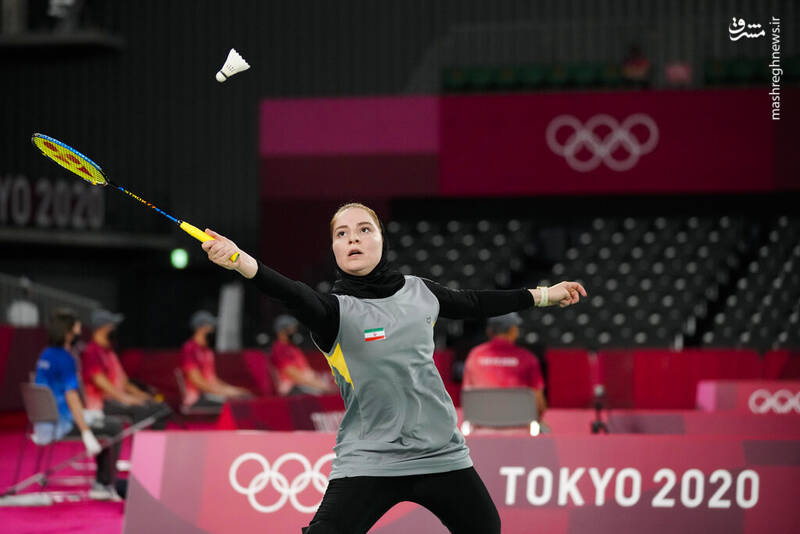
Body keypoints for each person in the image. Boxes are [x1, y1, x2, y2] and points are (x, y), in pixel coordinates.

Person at [201, 202, 586, 534]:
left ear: (381, 240)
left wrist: (543, 296)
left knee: (486, 528)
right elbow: (291, 292)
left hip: (440, 454)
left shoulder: (421, 292)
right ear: (334, 248)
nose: (352, 239)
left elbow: (474, 302)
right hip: (371, 457)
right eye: (341, 234)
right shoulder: (333, 312)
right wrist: (239, 260)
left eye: (363, 230)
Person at [33, 309, 123, 501]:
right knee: (113, 426)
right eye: (77, 329)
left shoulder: (45, 354)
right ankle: (105, 483)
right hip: (60, 423)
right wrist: (86, 432)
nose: (80, 332)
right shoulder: (66, 359)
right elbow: (72, 397)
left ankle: (102, 480)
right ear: (68, 332)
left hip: (43, 421)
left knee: (101, 421)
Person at [82, 309, 171, 430]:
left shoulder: (109, 352)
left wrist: (141, 395)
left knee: (159, 407)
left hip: (116, 399)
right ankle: (137, 441)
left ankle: (155, 441)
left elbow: (123, 381)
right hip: (103, 403)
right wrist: (125, 399)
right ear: (103, 328)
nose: (114, 329)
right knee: (142, 410)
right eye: (111, 326)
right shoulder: (91, 351)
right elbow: (100, 381)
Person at [462, 312, 547, 421]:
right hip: (519, 423)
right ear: (513, 330)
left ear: (489, 331)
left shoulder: (474, 355)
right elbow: (539, 404)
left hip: (481, 423)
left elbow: (467, 395)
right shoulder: (528, 358)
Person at [180, 310, 251, 410]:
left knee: (245, 397)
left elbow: (212, 379)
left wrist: (234, 390)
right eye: (210, 325)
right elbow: (197, 381)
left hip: (210, 395)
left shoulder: (207, 351)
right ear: (201, 328)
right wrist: (226, 393)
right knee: (238, 404)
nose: (212, 329)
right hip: (197, 398)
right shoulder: (190, 348)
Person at [269, 314, 336, 396]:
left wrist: (321, 384)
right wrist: (321, 386)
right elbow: (293, 375)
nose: (294, 331)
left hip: (305, 386)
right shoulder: (279, 349)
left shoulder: (293, 348)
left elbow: (306, 370)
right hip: (292, 390)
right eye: (291, 329)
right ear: (282, 331)